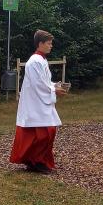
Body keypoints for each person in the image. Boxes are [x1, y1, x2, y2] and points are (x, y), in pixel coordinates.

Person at [9, 30, 65, 173]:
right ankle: (35, 161)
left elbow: (43, 82)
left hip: (39, 101)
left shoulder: (42, 60)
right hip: (35, 103)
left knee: (47, 132)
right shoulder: (34, 61)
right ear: (40, 44)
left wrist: (54, 85)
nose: (51, 46)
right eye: (48, 43)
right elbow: (38, 84)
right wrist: (53, 90)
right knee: (44, 132)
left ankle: (37, 161)